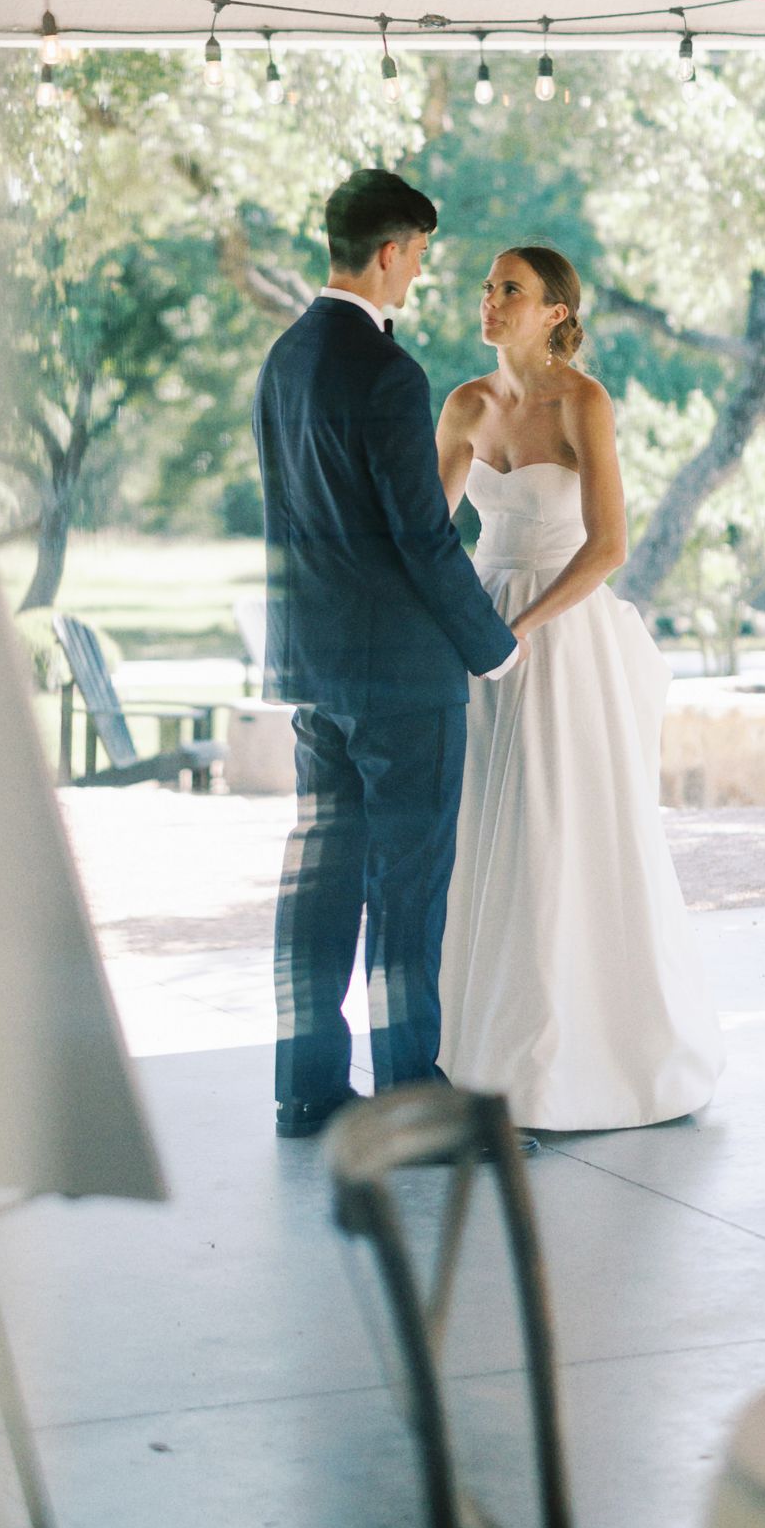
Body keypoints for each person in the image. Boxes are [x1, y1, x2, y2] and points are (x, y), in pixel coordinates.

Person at [253, 170, 523, 1140]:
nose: (417, 272)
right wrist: (491, 648)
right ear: (389, 252)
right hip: (404, 680)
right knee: (407, 892)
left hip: (316, 672)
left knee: (319, 881)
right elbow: (423, 536)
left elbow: (290, 525)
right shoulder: (387, 374)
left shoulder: (282, 359)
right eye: (417, 254)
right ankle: (417, 1104)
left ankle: (308, 1088)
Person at [436, 246, 723, 1131]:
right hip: (481, 628)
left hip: (562, 631)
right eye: (487, 289)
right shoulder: (465, 405)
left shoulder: (582, 402)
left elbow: (608, 547)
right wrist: (463, 626)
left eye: (510, 291)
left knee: (562, 823)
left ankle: (590, 1051)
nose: (490, 302)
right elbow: (425, 532)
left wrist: (519, 628)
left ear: (556, 311)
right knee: (486, 821)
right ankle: (483, 1046)